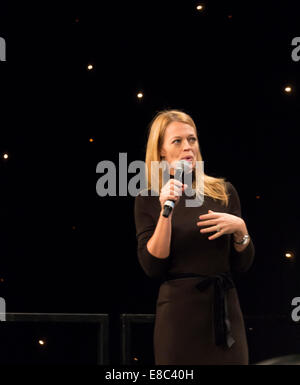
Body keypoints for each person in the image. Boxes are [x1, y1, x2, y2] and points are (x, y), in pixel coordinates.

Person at [134, 109, 255, 365]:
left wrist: (240, 229)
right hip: (179, 318)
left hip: (224, 315)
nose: (188, 147)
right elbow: (153, 266)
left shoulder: (223, 191)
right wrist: (166, 210)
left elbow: (242, 265)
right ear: (161, 151)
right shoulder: (149, 197)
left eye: (192, 139)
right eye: (177, 141)